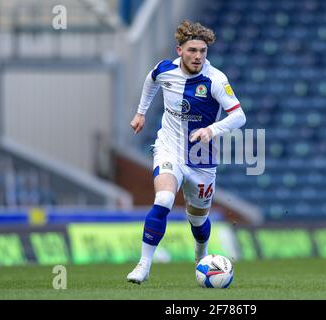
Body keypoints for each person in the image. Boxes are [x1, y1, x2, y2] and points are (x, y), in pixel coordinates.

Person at [127, 20, 246, 284]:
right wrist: (140, 113)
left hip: (202, 159)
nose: (198, 56)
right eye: (192, 50)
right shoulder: (165, 69)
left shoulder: (215, 79)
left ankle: (201, 255)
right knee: (164, 199)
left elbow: (239, 116)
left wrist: (211, 131)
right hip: (168, 148)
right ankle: (144, 265)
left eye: (203, 51)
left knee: (197, 219)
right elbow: (151, 81)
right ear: (179, 50)